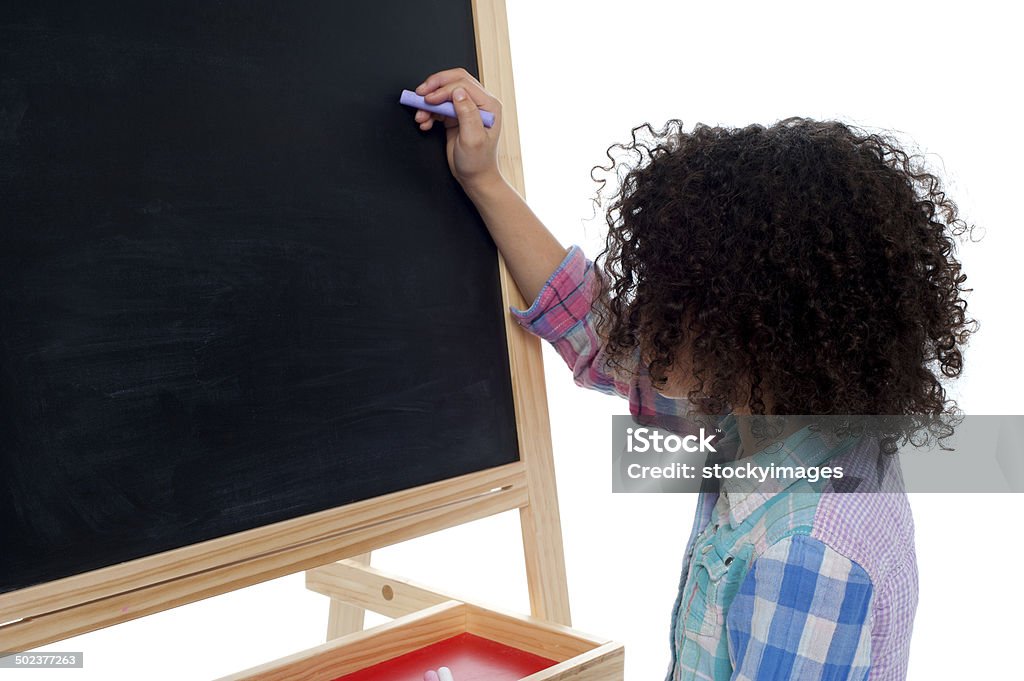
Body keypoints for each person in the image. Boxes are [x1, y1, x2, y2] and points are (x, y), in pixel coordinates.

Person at [409, 68, 973, 681]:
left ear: (752, 331)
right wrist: (484, 179)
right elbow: (601, 340)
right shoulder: (776, 421)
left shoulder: (807, 555)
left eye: (675, 294)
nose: (646, 313)